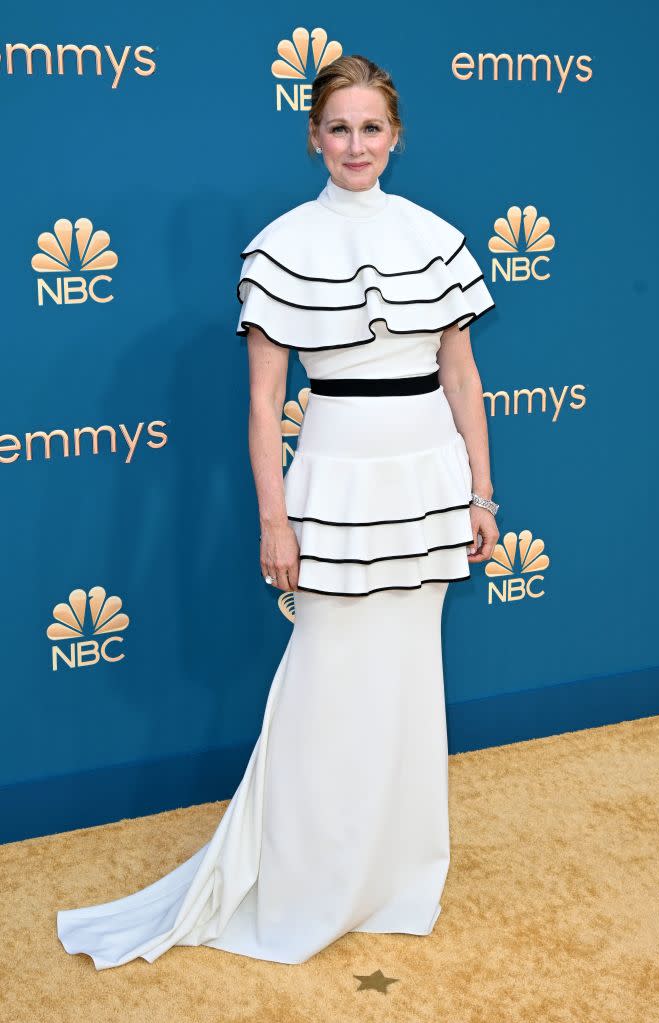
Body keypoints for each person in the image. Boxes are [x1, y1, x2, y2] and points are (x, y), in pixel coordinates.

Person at [56, 54, 499, 970]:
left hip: (425, 481)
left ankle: (390, 876)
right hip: (333, 478)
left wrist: (481, 493)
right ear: (312, 136)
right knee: (324, 686)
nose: (355, 145)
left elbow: (460, 372)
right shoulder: (282, 245)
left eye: (371, 128)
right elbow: (264, 405)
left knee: (408, 681)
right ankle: (300, 883)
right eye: (338, 128)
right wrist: (273, 518)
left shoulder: (438, 236)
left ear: (396, 135)